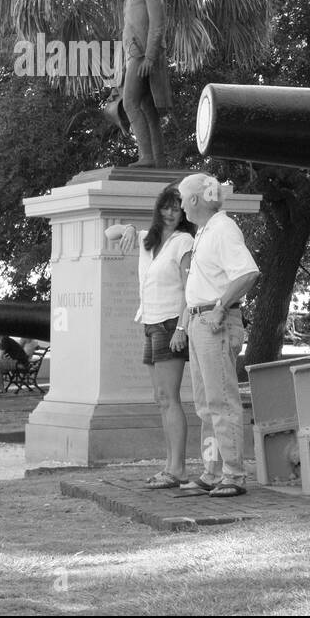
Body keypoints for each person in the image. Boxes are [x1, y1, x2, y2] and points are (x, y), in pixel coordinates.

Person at [179, 173, 259, 498]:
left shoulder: (223, 229)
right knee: (205, 404)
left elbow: (248, 273)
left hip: (215, 324)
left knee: (221, 401)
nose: (181, 205)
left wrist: (220, 307)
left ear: (196, 199)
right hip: (201, 323)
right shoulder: (204, 232)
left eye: (183, 198)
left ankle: (234, 474)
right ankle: (212, 472)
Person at [111, 186, 196, 489]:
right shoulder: (149, 240)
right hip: (150, 321)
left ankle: (179, 469)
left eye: (177, 208)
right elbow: (110, 234)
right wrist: (130, 227)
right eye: (167, 206)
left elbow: (190, 288)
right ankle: (170, 465)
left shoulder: (183, 240)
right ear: (158, 208)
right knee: (161, 399)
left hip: (170, 322)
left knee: (170, 398)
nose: (171, 213)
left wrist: (182, 329)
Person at [118, 0, 172, 167]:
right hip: (134, 55)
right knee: (147, 108)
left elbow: (158, 25)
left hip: (144, 56)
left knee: (130, 102)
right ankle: (157, 159)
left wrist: (150, 57)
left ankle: (147, 157)